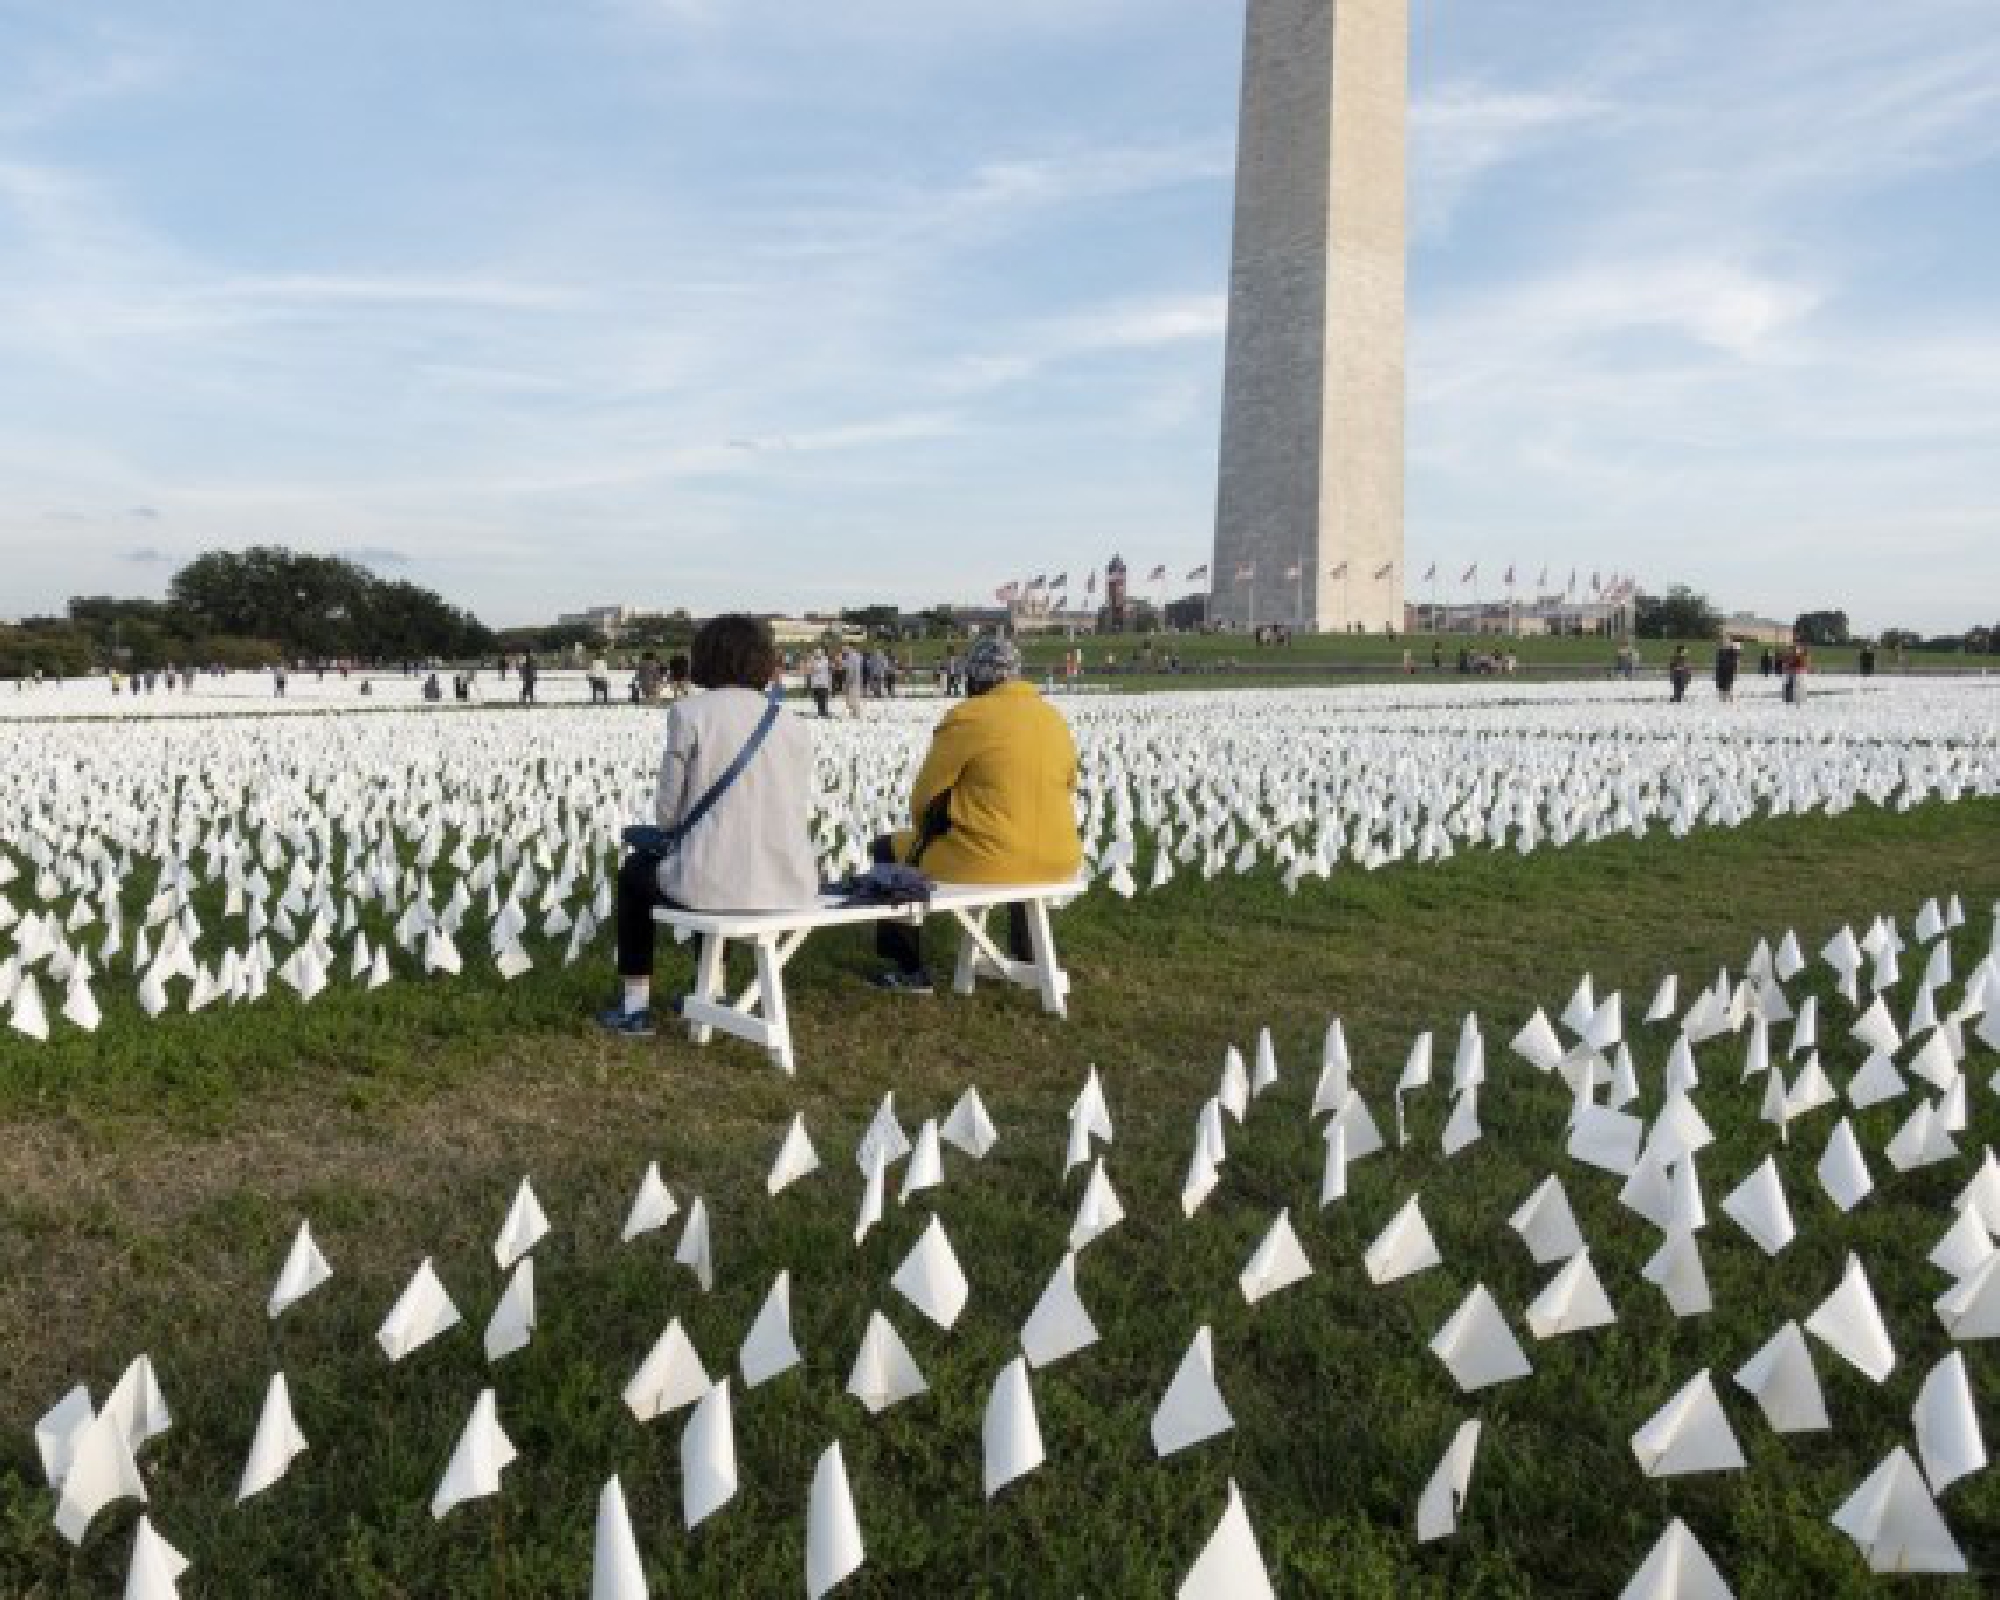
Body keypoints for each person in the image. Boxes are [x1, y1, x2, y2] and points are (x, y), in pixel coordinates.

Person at [598, 615, 818, 1035]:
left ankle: (634, 1004)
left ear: (706, 658)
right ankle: (710, 986)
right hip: (788, 880)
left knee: (636, 875)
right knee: (711, 866)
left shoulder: (690, 713)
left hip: (715, 880)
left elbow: (667, 814)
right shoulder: (791, 722)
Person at [868, 636, 1082, 993]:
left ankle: (908, 971)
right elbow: (1069, 784)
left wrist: (935, 826)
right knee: (1019, 847)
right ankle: (1027, 958)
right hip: (1060, 860)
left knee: (888, 852)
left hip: (990, 859)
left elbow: (925, 797)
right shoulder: (1053, 718)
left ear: (977, 679)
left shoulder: (969, 716)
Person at [841, 642, 865, 718]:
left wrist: (841, 662)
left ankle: (856, 713)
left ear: (850, 648)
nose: (844, 650)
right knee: (850, 698)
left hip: (853, 680)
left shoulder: (853, 657)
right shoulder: (857, 656)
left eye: (845, 648)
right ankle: (855, 712)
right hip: (854, 679)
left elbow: (849, 667)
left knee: (852, 698)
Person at [807, 648, 833, 718]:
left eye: (818, 654)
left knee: (823, 698)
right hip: (816, 683)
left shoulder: (825, 661)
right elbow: (810, 669)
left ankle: (823, 711)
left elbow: (815, 669)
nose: (817, 655)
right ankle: (820, 711)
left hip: (823, 682)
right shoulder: (813, 661)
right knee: (817, 698)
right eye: (816, 654)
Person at [1714, 638, 1741, 702]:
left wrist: (1736, 670)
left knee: (1726, 685)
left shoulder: (1731, 652)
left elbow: (1736, 662)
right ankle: (1725, 697)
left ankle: (1726, 697)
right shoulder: (1722, 652)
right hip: (1724, 670)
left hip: (1726, 670)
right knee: (1724, 686)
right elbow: (1736, 662)